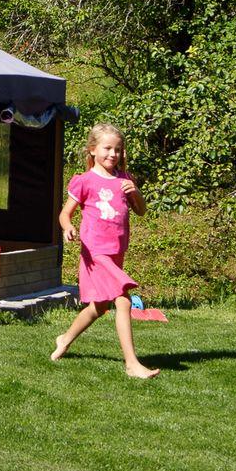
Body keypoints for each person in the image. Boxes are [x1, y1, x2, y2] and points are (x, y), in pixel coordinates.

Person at [51, 124, 159, 379]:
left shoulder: (124, 180)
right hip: (95, 251)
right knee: (123, 299)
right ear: (92, 149)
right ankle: (132, 364)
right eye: (107, 148)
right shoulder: (85, 181)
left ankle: (64, 339)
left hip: (116, 251)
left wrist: (137, 193)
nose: (113, 154)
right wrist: (68, 228)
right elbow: (65, 214)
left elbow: (141, 211)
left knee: (99, 307)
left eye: (118, 150)